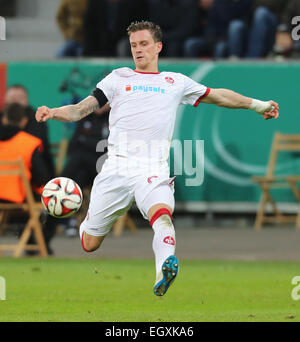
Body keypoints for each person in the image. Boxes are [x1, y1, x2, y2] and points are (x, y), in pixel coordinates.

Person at [35, 21, 279, 296]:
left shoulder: (174, 82)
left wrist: (259, 105)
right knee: (89, 243)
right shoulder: (118, 78)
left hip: (152, 168)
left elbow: (220, 96)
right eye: (134, 46)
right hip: (115, 166)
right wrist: (53, 111)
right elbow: (81, 110)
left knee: (161, 215)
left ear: (158, 47)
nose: (138, 50)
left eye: (143, 44)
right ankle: (76, 211)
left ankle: (164, 268)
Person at [0, 103, 56, 255]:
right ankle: (41, 243)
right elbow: (42, 177)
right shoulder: (28, 142)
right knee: (56, 200)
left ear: (4, 119)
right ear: (24, 121)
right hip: (17, 198)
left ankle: (30, 241)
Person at [3, 85, 55, 177]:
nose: (16, 101)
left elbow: (38, 151)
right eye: (12, 98)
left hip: (30, 170)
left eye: (20, 98)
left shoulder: (38, 119)